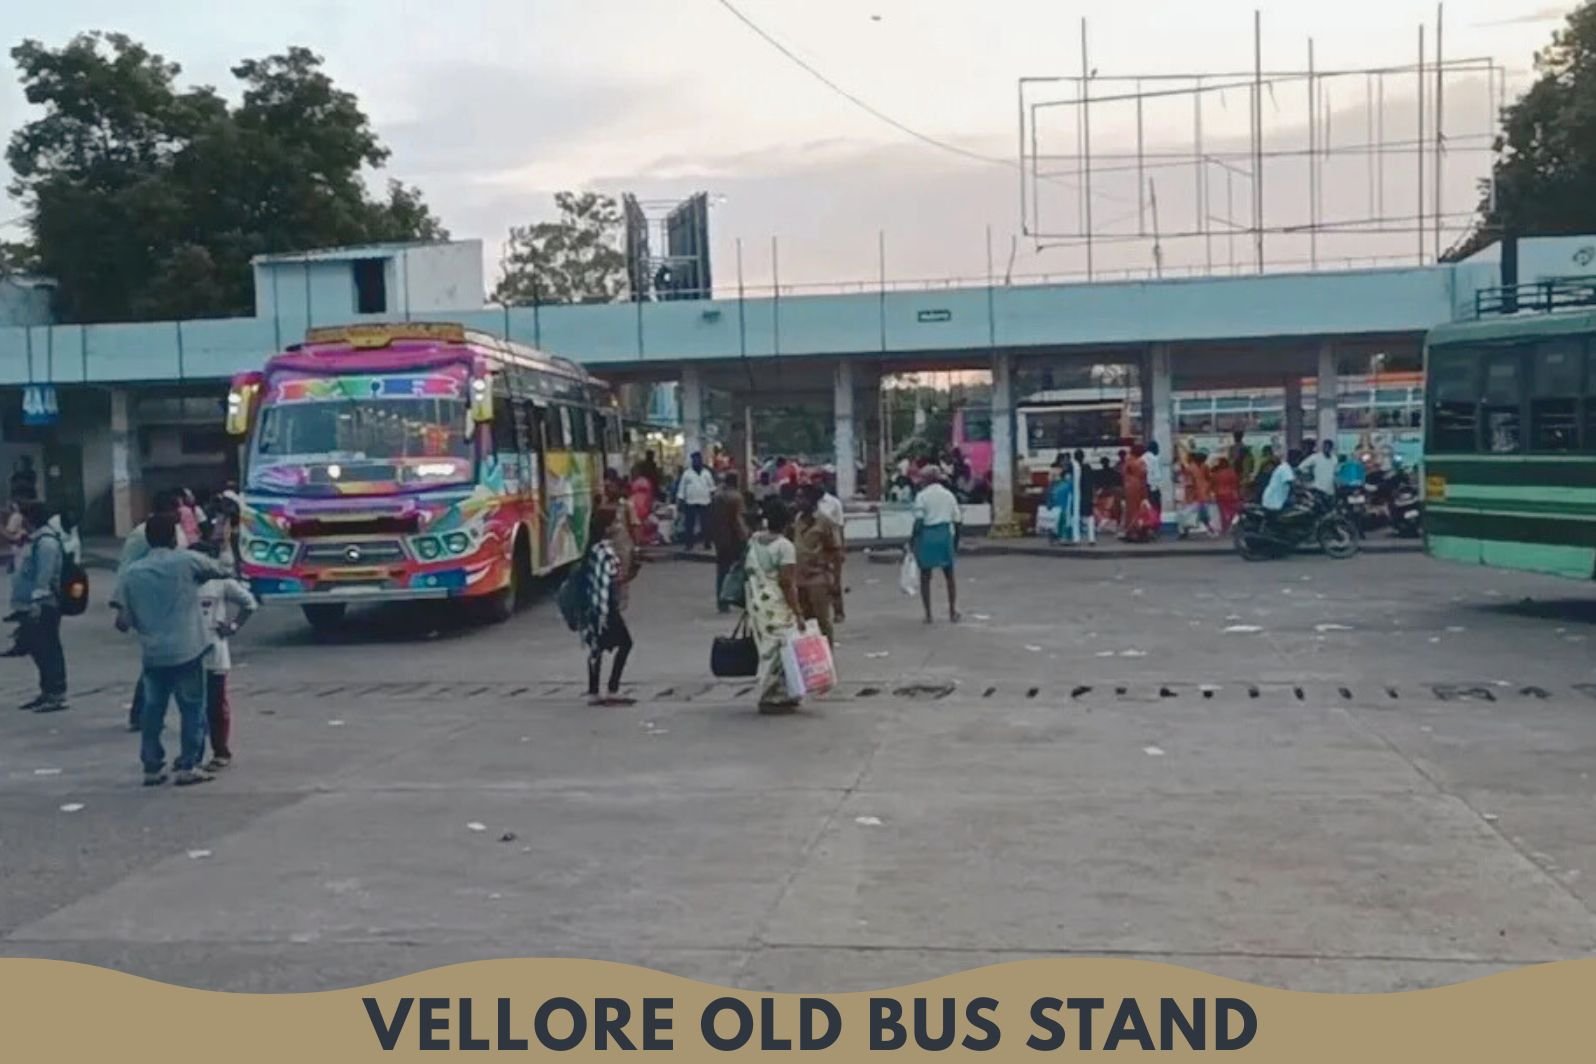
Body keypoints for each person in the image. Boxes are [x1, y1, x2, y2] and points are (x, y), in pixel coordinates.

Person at [113, 513, 235, 786]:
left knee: (153, 711)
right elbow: (224, 571)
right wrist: (224, 543)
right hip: (188, 649)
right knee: (192, 709)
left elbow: (123, 622)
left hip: (154, 653)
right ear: (173, 537)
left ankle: (152, 766)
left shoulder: (133, 573)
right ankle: (188, 765)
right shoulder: (186, 561)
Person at [194, 522, 257, 771]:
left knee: (215, 705)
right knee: (192, 708)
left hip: (215, 652)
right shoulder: (183, 585)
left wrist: (232, 627)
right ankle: (193, 754)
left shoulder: (221, 583)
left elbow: (249, 603)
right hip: (189, 652)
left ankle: (221, 751)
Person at [743, 499, 804, 713]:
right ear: (787, 523)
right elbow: (787, 583)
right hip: (776, 603)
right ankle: (771, 696)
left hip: (757, 602)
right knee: (782, 647)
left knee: (768, 648)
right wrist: (798, 612)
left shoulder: (755, 541)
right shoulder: (785, 547)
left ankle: (780, 692)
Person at [14, 501, 67, 712]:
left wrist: (36, 603)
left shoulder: (46, 543)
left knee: (48, 649)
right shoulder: (35, 540)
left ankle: (56, 693)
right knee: (38, 650)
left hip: (44, 605)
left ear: (30, 518)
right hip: (33, 604)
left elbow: (43, 577)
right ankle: (46, 691)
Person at [579, 507, 635, 707]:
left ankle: (596, 691)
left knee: (597, 647)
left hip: (597, 607)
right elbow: (604, 583)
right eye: (615, 522)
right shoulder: (603, 551)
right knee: (624, 643)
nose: (618, 525)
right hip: (604, 607)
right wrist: (602, 613)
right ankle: (611, 689)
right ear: (607, 526)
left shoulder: (594, 549)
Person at [793, 484, 844, 646]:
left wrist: (835, 581)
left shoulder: (824, 522)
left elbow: (836, 553)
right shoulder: (796, 521)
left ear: (812, 501)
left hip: (818, 578)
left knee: (822, 621)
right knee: (805, 621)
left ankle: (827, 655)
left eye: (802, 497)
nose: (798, 501)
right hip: (799, 578)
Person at [911, 472, 962, 624]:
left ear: (926, 480)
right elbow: (957, 520)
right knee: (949, 576)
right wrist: (955, 543)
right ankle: (952, 611)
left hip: (928, 536)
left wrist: (913, 540)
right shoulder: (949, 495)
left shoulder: (921, 496)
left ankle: (928, 614)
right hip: (945, 534)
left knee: (925, 577)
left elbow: (919, 522)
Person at [709, 472, 750, 613]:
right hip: (734, 539)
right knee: (741, 569)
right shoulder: (736, 497)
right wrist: (746, 536)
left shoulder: (717, 496)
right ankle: (741, 598)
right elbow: (738, 520)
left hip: (720, 538)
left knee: (722, 570)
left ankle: (722, 601)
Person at [816, 479, 847, 621]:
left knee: (835, 580)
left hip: (833, 545)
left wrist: (841, 548)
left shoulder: (834, 503)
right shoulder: (810, 504)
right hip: (816, 547)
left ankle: (838, 611)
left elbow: (840, 526)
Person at [675, 452, 716, 551]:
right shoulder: (687, 474)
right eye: (694, 460)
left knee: (706, 524)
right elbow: (681, 489)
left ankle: (707, 543)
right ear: (692, 461)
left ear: (701, 460)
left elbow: (712, 488)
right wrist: (680, 502)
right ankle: (689, 544)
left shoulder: (706, 473)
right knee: (689, 525)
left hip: (705, 502)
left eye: (698, 459)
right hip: (690, 502)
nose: (696, 461)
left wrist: (713, 500)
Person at [1120, 444, 1155, 543]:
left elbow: (1123, 474)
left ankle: (1130, 532)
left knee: (1130, 511)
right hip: (1138, 487)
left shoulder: (1128, 461)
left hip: (1128, 487)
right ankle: (1138, 532)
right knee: (1139, 510)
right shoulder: (1140, 462)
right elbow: (1143, 475)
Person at [1212, 456, 1242, 532]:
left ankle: (1224, 527)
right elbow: (1236, 483)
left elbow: (1213, 484)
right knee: (1233, 510)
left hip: (1219, 494)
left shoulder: (1216, 474)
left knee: (1222, 512)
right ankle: (1232, 524)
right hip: (1231, 493)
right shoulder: (1231, 472)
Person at [1143, 440, 1165, 535]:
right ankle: (1153, 527)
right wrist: (1156, 487)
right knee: (1155, 507)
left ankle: (1147, 526)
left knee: (1146, 507)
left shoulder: (1142, 458)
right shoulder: (1154, 459)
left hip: (1144, 487)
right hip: (1153, 487)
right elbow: (1156, 475)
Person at [1228, 430, 1255, 496]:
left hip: (1238, 470)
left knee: (1237, 487)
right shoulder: (1245, 448)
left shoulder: (1232, 448)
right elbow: (1251, 460)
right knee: (1241, 488)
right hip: (1242, 471)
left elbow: (1230, 460)